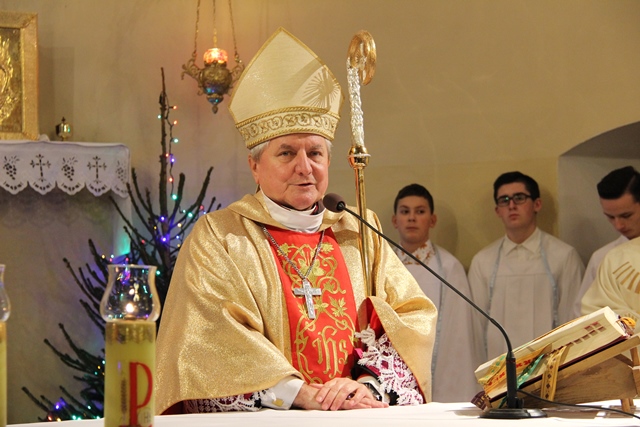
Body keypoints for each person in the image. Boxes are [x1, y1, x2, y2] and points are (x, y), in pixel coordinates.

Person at [155, 28, 436, 414]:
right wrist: (299, 394)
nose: (304, 167)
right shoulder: (221, 236)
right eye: (286, 153)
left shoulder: (358, 230)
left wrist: (367, 385)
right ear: (255, 166)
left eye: (315, 153)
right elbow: (208, 337)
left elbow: (411, 316)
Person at [467, 171, 584, 360]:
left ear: (537, 204)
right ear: (497, 211)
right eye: (504, 200)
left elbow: (572, 320)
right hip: (498, 368)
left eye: (519, 198)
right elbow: (475, 327)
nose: (511, 205)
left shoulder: (563, 256)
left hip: (550, 367)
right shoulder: (483, 262)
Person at [391, 184, 481, 402]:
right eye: (405, 211)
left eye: (420, 211)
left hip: (439, 370)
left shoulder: (449, 267)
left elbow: (459, 335)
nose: (412, 218)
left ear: (432, 220)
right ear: (395, 220)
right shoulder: (383, 264)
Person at [572, 166, 640, 317]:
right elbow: (583, 315)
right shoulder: (602, 258)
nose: (618, 225)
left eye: (626, 215)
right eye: (610, 217)